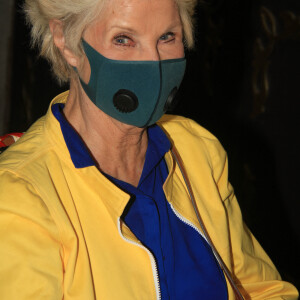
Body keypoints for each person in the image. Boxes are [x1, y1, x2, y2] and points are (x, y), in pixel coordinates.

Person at [0, 0, 298, 298]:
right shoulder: (21, 197)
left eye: (167, 37)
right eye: (124, 40)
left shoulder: (195, 148)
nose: (152, 64)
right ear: (66, 40)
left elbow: (263, 290)